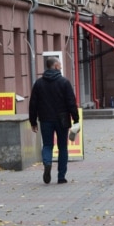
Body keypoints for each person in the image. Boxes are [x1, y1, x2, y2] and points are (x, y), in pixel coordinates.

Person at [29, 56, 79, 185]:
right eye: (60, 64)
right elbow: (71, 102)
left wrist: (33, 121)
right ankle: (61, 177)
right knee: (62, 147)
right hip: (62, 120)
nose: (61, 66)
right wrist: (76, 119)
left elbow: (33, 103)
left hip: (45, 119)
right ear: (56, 66)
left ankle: (47, 163)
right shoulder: (64, 82)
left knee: (47, 145)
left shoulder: (39, 83)